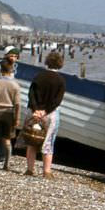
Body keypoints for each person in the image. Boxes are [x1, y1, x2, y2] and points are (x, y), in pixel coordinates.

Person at [25, 51, 66, 179]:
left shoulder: (38, 76)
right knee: (48, 142)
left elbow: (31, 94)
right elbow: (57, 101)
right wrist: (45, 111)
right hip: (50, 114)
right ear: (60, 64)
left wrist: (36, 110)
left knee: (31, 141)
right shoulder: (61, 80)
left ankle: (30, 169)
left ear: (47, 62)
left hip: (34, 112)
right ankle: (46, 171)